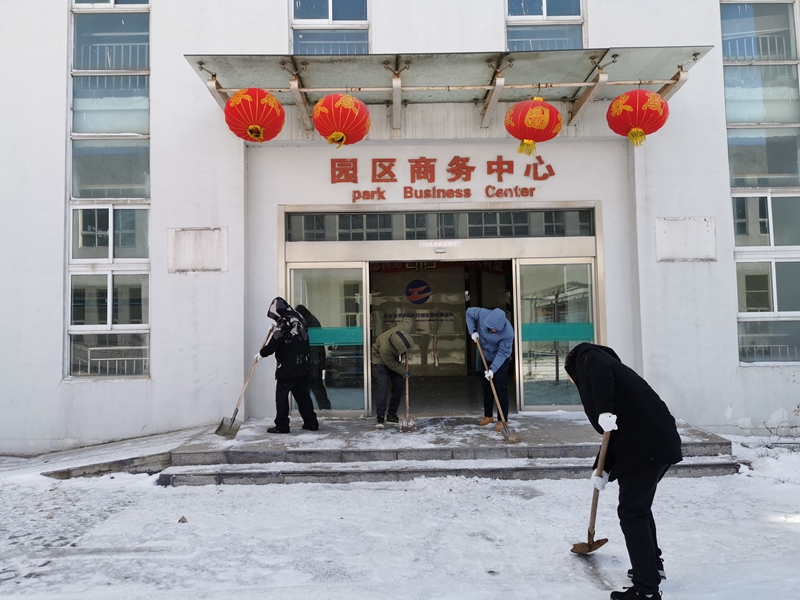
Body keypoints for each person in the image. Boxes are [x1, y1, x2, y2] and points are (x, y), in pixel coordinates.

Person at [564, 342, 682, 600]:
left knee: (632, 513)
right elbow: (616, 430)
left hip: (645, 446)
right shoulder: (617, 373)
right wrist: (602, 468)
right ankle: (652, 567)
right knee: (639, 509)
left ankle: (646, 590)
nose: (575, 383)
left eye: (572, 379)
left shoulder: (588, 357)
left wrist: (604, 409)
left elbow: (599, 373)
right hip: (657, 441)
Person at [255, 297, 319, 434]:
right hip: (302, 364)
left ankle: (282, 425)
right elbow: (293, 336)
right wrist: (276, 328)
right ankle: (311, 422)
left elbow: (276, 341)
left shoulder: (285, 320)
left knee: (281, 396)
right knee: (302, 395)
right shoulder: (299, 317)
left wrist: (262, 353)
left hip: (288, 367)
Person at [466, 307, 514, 431]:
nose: (493, 331)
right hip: (486, 355)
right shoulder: (483, 314)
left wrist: (493, 369)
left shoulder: (508, 332)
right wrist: (473, 331)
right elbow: (469, 312)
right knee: (486, 386)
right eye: (492, 328)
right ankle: (488, 416)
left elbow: (503, 353)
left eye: (496, 330)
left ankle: (503, 420)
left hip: (500, 359)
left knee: (500, 387)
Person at [371, 317, 415, 429]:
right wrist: (404, 372)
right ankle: (380, 418)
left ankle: (391, 415)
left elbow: (409, 320)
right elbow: (391, 364)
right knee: (383, 387)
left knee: (398, 386)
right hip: (380, 360)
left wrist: (405, 317)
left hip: (392, 359)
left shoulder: (404, 329)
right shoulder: (385, 349)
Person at [295, 304, 332, 410]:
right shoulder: (311, 320)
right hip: (315, 362)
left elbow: (312, 346)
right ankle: (323, 408)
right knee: (317, 388)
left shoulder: (308, 322)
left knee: (311, 388)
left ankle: (309, 410)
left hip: (312, 363)